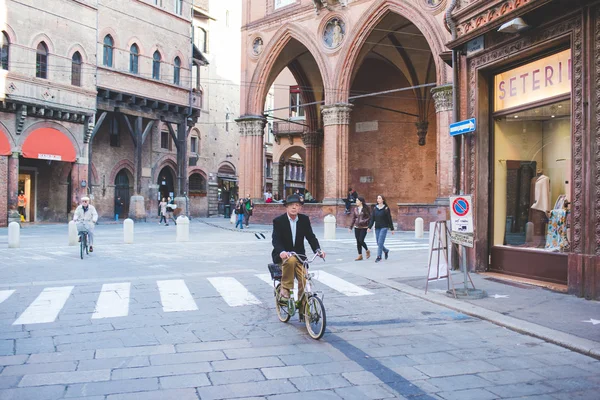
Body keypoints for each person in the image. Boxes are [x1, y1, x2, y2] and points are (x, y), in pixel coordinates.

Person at [272, 194, 326, 314]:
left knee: (305, 280)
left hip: (300, 257)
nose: (294, 208)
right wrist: (281, 251)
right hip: (284, 256)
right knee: (290, 260)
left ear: (300, 208)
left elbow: (311, 237)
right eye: (291, 205)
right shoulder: (279, 221)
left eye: (297, 205)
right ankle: (285, 289)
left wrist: (318, 250)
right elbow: (276, 239)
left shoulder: (304, 220)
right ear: (286, 207)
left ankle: (303, 309)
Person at [368, 194, 395, 262]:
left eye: (379, 198)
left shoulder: (386, 208)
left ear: (382, 200)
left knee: (380, 242)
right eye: (377, 198)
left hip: (384, 227)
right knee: (378, 243)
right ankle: (386, 251)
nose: (378, 199)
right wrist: (369, 227)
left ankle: (379, 256)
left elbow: (389, 218)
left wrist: (392, 228)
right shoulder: (375, 208)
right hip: (377, 227)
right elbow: (372, 219)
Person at [348, 196, 371, 261]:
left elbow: (369, 217)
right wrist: (350, 227)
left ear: (361, 201)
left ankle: (367, 250)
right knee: (358, 241)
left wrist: (365, 222)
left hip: (364, 227)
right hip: (357, 227)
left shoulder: (366, 208)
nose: (356, 202)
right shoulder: (355, 209)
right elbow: (353, 218)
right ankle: (360, 255)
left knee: (361, 240)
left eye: (357, 201)